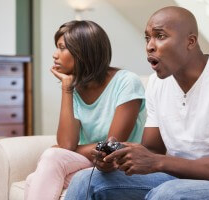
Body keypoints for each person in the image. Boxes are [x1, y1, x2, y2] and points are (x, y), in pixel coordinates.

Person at [65, 6, 209, 200]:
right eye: (147, 38)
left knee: (168, 194)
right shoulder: (157, 84)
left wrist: (159, 162)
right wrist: (119, 160)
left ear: (190, 42)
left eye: (160, 36)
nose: (149, 46)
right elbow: (152, 150)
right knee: (86, 180)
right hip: (176, 178)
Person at [24, 20, 146, 200]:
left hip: (117, 166)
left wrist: (70, 149)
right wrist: (67, 88)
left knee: (41, 170)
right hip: (89, 162)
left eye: (61, 48)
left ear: (82, 52)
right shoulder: (74, 86)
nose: (54, 55)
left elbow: (111, 148)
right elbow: (67, 144)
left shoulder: (126, 82)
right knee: (37, 174)